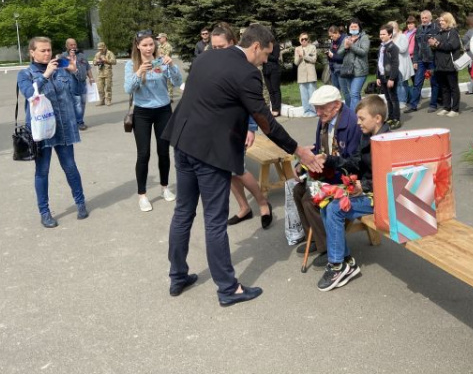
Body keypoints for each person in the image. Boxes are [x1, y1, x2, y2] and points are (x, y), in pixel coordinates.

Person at [163, 24, 320, 306]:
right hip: (210, 152)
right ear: (256, 46)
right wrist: (297, 150)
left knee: (183, 212)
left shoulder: (207, 56)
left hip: (183, 142)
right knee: (214, 219)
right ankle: (227, 288)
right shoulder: (246, 72)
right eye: (266, 55)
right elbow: (265, 121)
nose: (265, 62)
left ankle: (177, 275)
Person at [315, 94, 390, 291]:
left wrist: (362, 187)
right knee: (325, 204)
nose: (357, 123)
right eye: (357, 118)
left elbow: (387, 180)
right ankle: (346, 260)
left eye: (361, 118)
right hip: (368, 191)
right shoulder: (367, 136)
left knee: (335, 208)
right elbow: (354, 162)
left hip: (383, 198)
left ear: (377, 118)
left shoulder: (388, 143)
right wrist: (329, 159)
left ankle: (338, 265)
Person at [17, 37, 88, 228]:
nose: (47, 53)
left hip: (64, 128)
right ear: (32, 52)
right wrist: (45, 75)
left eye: (49, 50)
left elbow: (79, 90)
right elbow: (30, 94)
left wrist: (75, 72)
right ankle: (44, 212)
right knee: (42, 171)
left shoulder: (60, 69)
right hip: (41, 131)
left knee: (70, 167)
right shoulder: (25, 74)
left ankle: (80, 202)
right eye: (42, 50)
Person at [208, 24, 274, 228]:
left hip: (238, 128)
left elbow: (257, 104)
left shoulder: (249, 67)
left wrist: (251, 128)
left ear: (232, 43)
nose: (217, 51)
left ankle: (263, 204)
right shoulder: (212, 64)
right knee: (227, 170)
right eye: (214, 48)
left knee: (239, 169)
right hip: (217, 127)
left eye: (221, 46)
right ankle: (244, 207)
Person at [292, 85, 362, 268]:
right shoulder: (325, 118)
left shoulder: (353, 123)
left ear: (337, 105)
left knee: (310, 199)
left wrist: (328, 160)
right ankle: (316, 236)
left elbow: (354, 162)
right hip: (330, 172)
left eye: (321, 107)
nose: (318, 112)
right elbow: (320, 147)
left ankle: (328, 247)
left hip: (346, 177)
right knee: (298, 190)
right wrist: (303, 162)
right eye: (316, 107)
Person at [124, 30, 183, 212]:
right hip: (142, 112)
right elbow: (128, 89)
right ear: (138, 46)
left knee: (164, 151)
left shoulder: (162, 61)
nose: (149, 48)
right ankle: (142, 195)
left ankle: (165, 187)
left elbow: (177, 81)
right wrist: (139, 72)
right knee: (144, 154)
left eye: (151, 44)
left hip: (163, 110)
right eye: (145, 45)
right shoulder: (131, 64)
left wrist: (171, 65)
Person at [430, 12, 462, 117]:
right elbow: (437, 47)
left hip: (450, 65)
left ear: (448, 21)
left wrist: (437, 44)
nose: (440, 22)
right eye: (440, 20)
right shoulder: (439, 33)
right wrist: (432, 44)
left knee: (453, 87)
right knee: (444, 87)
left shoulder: (453, 32)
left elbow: (451, 46)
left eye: (443, 20)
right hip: (440, 65)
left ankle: (455, 109)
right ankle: (446, 107)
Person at [409, 10, 440, 113]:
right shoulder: (418, 29)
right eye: (422, 18)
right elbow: (416, 47)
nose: (424, 20)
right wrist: (415, 61)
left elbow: (438, 43)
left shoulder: (436, 28)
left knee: (434, 83)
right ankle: (413, 105)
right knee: (417, 83)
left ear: (430, 18)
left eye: (426, 18)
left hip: (432, 60)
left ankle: (433, 104)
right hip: (421, 60)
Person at [336, 19, 370, 111]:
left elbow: (364, 52)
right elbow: (339, 53)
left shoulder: (364, 37)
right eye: (352, 27)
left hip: (360, 70)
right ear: (348, 28)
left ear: (359, 27)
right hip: (348, 70)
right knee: (355, 94)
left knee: (354, 93)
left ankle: (352, 117)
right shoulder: (347, 38)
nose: (353, 28)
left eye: (355, 27)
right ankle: (361, 114)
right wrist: (346, 48)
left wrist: (351, 46)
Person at [62, 38, 92, 131]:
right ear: (67, 46)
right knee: (77, 103)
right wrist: (71, 58)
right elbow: (64, 69)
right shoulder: (63, 56)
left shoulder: (81, 55)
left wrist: (91, 77)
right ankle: (79, 122)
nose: (73, 46)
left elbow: (88, 67)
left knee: (82, 102)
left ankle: (78, 120)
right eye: (71, 45)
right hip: (71, 81)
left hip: (82, 82)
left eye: (74, 44)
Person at [377, 24, 401, 129]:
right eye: (380, 34)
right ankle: (390, 117)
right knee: (388, 98)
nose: (381, 36)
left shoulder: (393, 47)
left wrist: (392, 78)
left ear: (390, 35)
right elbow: (379, 62)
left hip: (390, 77)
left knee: (393, 98)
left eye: (384, 34)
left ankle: (396, 119)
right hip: (382, 76)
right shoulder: (381, 46)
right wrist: (378, 76)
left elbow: (395, 64)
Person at [388, 21, 413, 111]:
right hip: (393, 65)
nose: (392, 30)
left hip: (402, 63)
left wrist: (392, 42)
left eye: (393, 27)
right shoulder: (389, 38)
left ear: (397, 28)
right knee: (397, 83)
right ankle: (409, 98)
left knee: (402, 83)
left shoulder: (402, 36)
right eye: (390, 28)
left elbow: (403, 49)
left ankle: (402, 101)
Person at [295, 32, 318, 117]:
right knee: (304, 95)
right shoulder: (297, 49)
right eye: (302, 39)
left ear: (308, 40)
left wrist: (304, 55)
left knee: (312, 93)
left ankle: (314, 111)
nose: (304, 40)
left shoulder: (312, 47)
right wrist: (300, 57)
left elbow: (313, 59)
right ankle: (306, 110)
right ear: (299, 40)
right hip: (301, 75)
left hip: (311, 74)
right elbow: (296, 62)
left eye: (306, 39)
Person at [327, 25, 350, 102]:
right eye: (330, 36)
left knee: (345, 91)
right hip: (334, 69)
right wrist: (329, 55)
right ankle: (338, 109)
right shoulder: (334, 41)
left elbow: (342, 57)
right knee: (336, 92)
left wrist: (332, 56)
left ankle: (350, 109)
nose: (331, 38)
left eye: (332, 35)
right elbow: (333, 53)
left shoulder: (344, 39)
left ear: (337, 33)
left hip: (342, 69)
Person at [262, 34, 282, 117]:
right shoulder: (264, 46)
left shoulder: (275, 45)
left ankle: (277, 109)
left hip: (274, 69)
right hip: (266, 69)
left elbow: (275, 57)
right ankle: (273, 108)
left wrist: (266, 54)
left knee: (275, 89)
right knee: (270, 90)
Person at [92, 42, 117, 106]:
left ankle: (108, 100)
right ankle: (101, 101)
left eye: (101, 49)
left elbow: (114, 62)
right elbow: (94, 62)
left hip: (107, 73)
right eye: (99, 49)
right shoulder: (98, 54)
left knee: (108, 87)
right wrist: (96, 61)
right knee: (100, 88)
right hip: (100, 73)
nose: (100, 50)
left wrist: (106, 60)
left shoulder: (109, 53)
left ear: (104, 47)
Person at [402, 16, 417, 107]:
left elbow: (413, 48)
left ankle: (415, 97)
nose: (409, 25)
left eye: (411, 23)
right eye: (408, 23)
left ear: (415, 24)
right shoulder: (405, 33)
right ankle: (410, 97)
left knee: (415, 79)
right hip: (405, 58)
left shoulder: (416, 33)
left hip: (413, 58)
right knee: (406, 78)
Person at [156, 33, 175, 100]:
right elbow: (157, 55)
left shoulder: (168, 46)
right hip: (160, 66)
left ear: (164, 38)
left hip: (167, 66)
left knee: (168, 82)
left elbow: (166, 56)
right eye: (158, 38)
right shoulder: (159, 46)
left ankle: (170, 97)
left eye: (159, 38)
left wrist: (160, 55)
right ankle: (163, 95)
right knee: (161, 81)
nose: (158, 39)